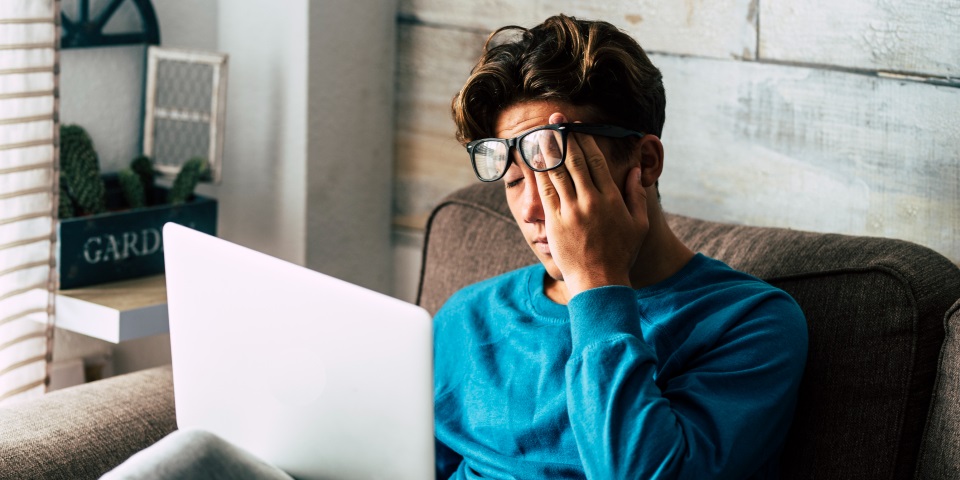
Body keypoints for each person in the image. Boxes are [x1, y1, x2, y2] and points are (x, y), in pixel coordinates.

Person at [102, 13, 807, 480]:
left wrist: (598, 284)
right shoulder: (470, 319)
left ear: (643, 164)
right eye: (511, 168)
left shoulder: (750, 323)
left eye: (553, 159)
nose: (530, 205)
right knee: (195, 458)